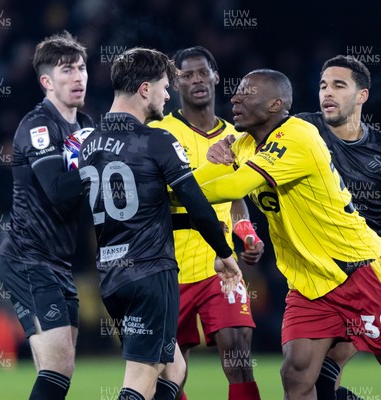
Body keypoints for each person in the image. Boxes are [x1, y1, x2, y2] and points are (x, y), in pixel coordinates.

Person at [207, 55, 381, 400]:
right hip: (314, 274)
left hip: (366, 270)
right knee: (301, 376)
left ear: (362, 95)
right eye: (322, 85)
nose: (327, 93)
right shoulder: (297, 130)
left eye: (338, 85)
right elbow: (250, 144)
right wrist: (226, 144)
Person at [78, 47, 242, 400]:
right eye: (165, 86)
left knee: (175, 369)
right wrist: (225, 251)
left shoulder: (88, 144)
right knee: (139, 380)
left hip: (110, 276)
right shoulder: (157, 140)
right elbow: (197, 205)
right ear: (144, 89)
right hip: (151, 274)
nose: (169, 94)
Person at [149, 46, 263, 400]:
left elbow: (238, 198)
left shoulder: (239, 136)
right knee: (171, 372)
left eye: (203, 72)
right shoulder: (159, 133)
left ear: (216, 77)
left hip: (221, 263)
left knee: (239, 351)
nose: (197, 79)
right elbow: (163, 195)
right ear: (175, 83)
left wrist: (246, 232)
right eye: (187, 74)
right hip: (171, 267)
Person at [0, 31, 93, 400]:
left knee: (57, 367)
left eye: (82, 68)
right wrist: (98, 164)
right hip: (28, 257)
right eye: (67, 70)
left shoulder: (83, 126)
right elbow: (57, 188)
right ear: (46, 81)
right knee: (59, 365)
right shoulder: (38, 125)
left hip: (57, 261)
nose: (78, 77)